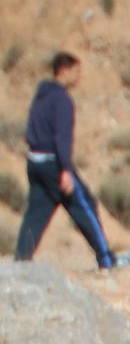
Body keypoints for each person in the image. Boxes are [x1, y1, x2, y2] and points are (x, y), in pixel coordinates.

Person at [14, 52, 119, 271]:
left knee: (35, 215)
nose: (78, 76)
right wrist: (65, 170)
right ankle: (106, 259)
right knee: (85, 205)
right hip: (54, 164)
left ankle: (20, 263)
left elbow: (31, 131)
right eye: (75, 71)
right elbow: (62, 137)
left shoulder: (40, 96)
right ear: (63, 70)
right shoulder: (61, 99)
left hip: (35, 162)